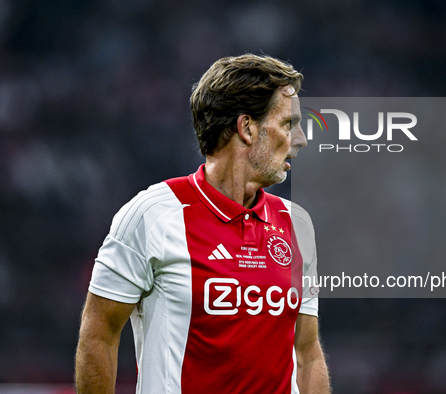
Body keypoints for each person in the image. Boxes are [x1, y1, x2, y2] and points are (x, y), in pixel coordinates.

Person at [75, 54, 330, 394]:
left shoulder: (297, 224)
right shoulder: (151, 215)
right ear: (247, 128)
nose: (300, 139)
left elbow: (308, 352)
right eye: (288, 124)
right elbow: (99, 334)